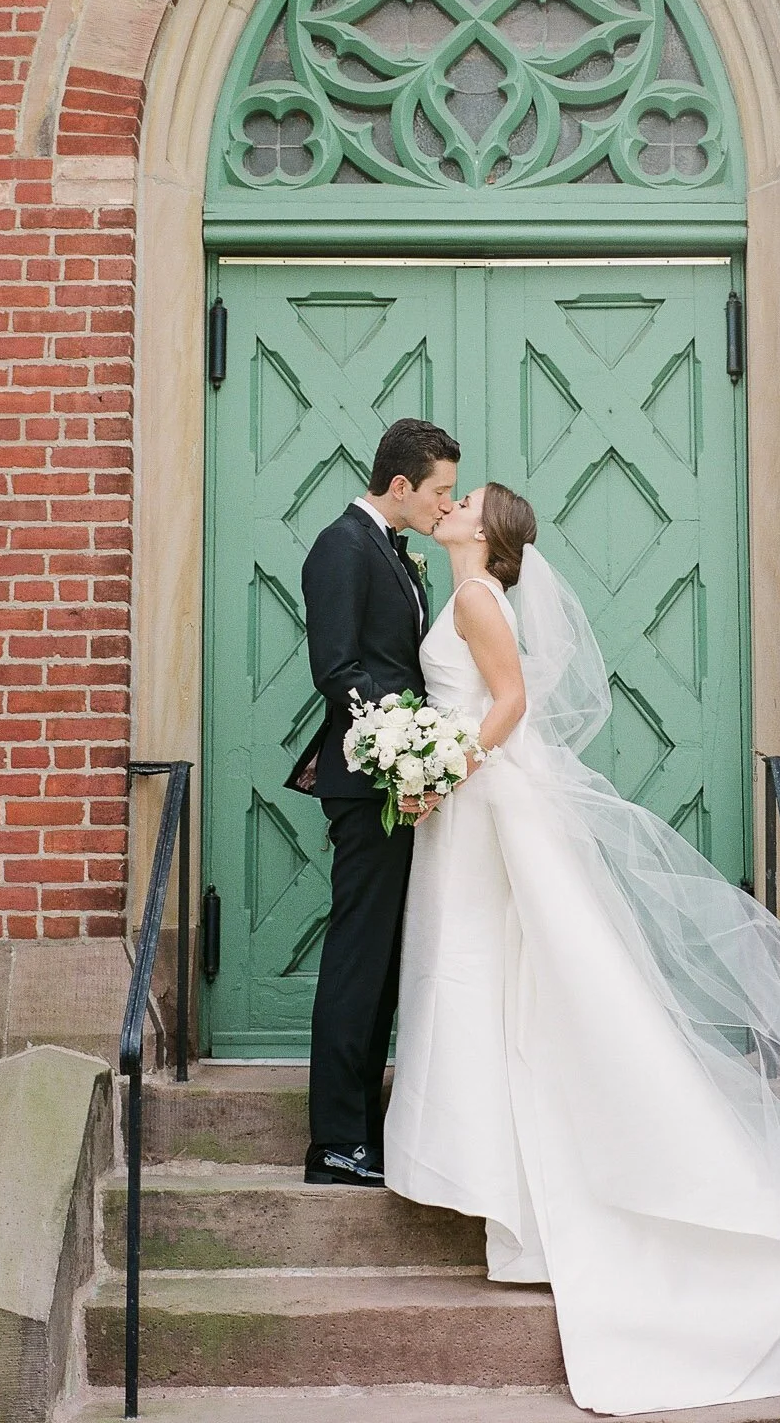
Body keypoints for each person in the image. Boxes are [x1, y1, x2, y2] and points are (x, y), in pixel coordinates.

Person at [384, 483, 780, 1415]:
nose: (451, 505)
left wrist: (442, 767)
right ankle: (526, 1215)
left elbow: (512, 701)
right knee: (509, 986)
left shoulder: (471, 599)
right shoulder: (460, 592)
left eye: (468, 502)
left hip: (486, 800)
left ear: (486, 535)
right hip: (483, 805)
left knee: (537, 982)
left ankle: (582, 1199)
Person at [293, 418, 459, 1186]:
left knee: (386, 962)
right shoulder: (342, 545)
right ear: (400, 486)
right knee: (359, 958)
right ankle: (333, 1140)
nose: (444, 506)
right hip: (368, 785)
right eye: (440, 492)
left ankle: (365, 1130)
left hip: (399, 783)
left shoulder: (393, 552)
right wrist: (402, 753)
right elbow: (338, 668)